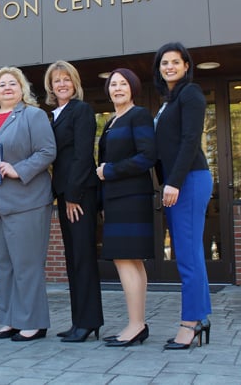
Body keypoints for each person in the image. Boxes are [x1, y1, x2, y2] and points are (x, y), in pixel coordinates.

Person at [0, 66, 56, 341]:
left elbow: (47, 151)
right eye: (2, 84)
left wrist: (20, 169)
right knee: (4, 266)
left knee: (27, 265)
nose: (6, 88)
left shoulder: (33, 115)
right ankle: (9, 320)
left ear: (22, 89)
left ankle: (33, 322)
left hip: (26, 201)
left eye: (12, 84)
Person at [153, 42, 213, 350]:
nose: (170, 67)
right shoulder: (169, 100)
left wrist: (173, 183)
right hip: (181, 181)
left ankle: (189, 324)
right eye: (165, 63)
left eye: (176, 62)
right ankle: (200, 316)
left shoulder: (190, 94)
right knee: (192, 255)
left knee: (187, 257)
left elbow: (191, 139)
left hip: (188, 180)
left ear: (186, 65)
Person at [96, 68, 156, 347]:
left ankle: (135, 324)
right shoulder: (111, 121)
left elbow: (147, 156)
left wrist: (111, 171)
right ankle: (137, 323)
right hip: (116, 198)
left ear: (133, 88)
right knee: (128, 260)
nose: (117, 88)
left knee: (128, 259)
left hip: (132, 196)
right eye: (113, 84)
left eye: (123, 84)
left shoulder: (139, 115)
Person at [44, 60, 103, 342]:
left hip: (78, 196)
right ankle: (79, 320)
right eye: (57, 80)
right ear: (51, 86)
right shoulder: (55, 115)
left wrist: (73, 195)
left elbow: (82, 155)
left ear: (75, 83)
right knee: (72, 259)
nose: (62, 84)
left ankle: (89, 321)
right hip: (65, 194)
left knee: (83, 258)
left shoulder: (81, 111)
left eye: (67, 79)